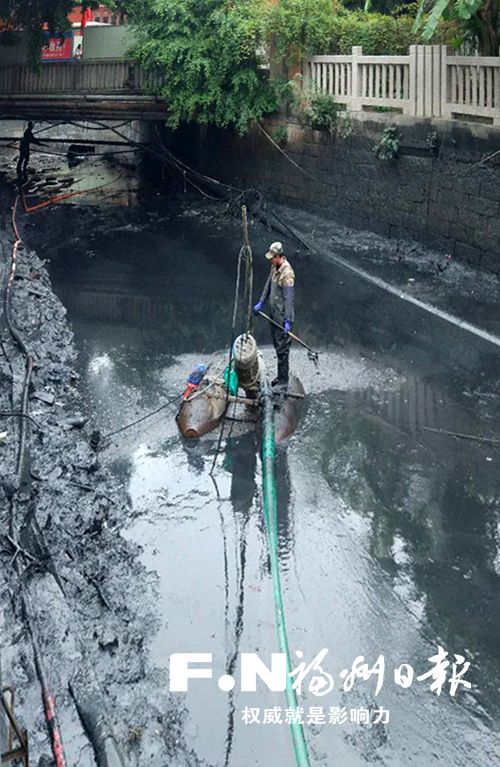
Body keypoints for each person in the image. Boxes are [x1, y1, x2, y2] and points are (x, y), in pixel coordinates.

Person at [253, 241, 295, 389]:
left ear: (279, 256)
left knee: (283, 349)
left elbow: (288, 299)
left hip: (282, 317)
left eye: (273, 257)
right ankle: (280, 376)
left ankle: (284, 381)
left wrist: (288, 321)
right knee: (277, 346)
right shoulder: (274, 266)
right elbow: (268, 284)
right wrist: (261, 302)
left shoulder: (287, 273)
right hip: (273, 313)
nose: (271, 260)